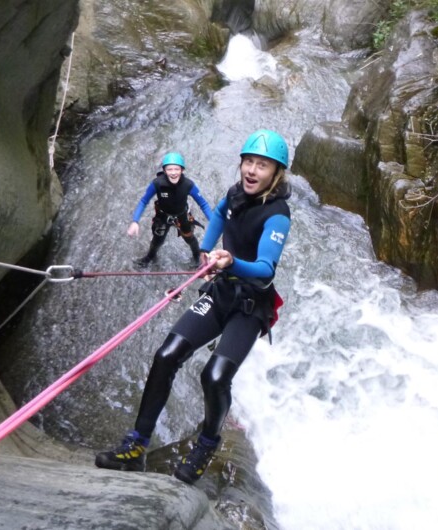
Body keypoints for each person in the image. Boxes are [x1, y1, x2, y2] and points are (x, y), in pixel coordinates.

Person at [96, 129, 292, 484]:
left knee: (214, 376)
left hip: (249, 307)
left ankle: (206, 445)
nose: (251, 170)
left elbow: (265, 271)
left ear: (276, 173)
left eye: (261, 165)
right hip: (220, 293)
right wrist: (205, 247)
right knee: (166, 354)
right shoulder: (235, 195)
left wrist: (230, 261)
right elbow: (218, 213)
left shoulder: (277, 215)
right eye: (248, 161)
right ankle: (136, 445)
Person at [128, 152, 213, 266]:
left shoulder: (188, 185)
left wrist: (214, 221)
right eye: (169, 169)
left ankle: (197, 256)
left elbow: (203, 204)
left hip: (182, 215)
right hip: (163, 216)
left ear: (182, 170)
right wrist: (135, 221)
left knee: (189, 238)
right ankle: (150, 257)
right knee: (157, 240)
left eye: (176, 169)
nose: (173, 173)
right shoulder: (157, 183)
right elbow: (144, 201)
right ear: (164, 171)